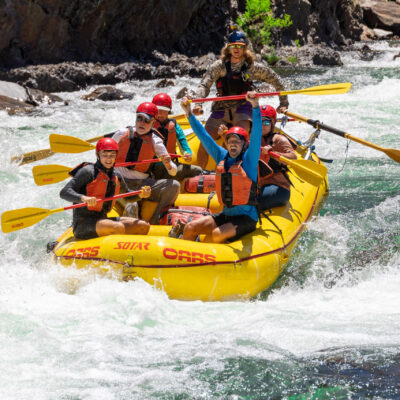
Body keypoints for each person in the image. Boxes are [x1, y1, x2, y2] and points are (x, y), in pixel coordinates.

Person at [191, 28, 289, 169]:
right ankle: (200, 172)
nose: (236, 49)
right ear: (228, 48)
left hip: (243, 107)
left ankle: (242, 170)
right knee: (205, 138)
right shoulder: (219, 66)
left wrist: (284, 103)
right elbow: (204, 85)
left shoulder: (253, 68)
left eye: (239, 46)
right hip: (221, 108)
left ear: (244, 48)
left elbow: (277, 80)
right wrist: (198, 103)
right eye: (233, 46)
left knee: (240, 138)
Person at [179, 92, 261, 243]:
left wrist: (255, 106)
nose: (233, 144)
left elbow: (256, 133)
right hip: (227, 214)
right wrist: (188, 113)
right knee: (190, 227)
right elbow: (204, 136)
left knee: (217, 234)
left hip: (246, 218)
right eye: (230, 141)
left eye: (237, 141)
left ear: (244, 145)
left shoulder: (249, 159)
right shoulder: (221, 156)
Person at [60, 138, 151, 240]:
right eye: (105, 155)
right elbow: (64, 192)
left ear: (116, 155)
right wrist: (83, 198)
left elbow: (127, 197)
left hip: (102, 219)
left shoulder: (116, 175)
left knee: (143, 226)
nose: (109, 159)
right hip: (83, 224)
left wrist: (140, 195)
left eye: (112, 155)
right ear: (98, 155)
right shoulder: (88, 172)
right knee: (118, 227)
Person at [112, 102, 181, 225]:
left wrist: (168, 164)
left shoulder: (156, 141)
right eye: (139, 118)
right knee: (131, 205)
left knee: (174, 185)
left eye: (147, 120)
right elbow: (102, 155)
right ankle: (129, 232)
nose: (142, 123)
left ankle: (155, 219)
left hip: (143, 184)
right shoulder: (121, 134)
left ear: (153, 123)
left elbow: (173, 171)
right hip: (120, 182)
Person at [151, 93, 202, 181]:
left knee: (198, 171)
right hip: (150, 169)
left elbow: (183, 143)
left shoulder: (174, 125)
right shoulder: (147, 123)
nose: (160, 114)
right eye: (157, 110)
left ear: (169, 111)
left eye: (163, 110)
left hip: (170, 167)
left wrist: (187, 154)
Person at [257, 105, 297, 211]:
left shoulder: (279, 139)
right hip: (260, 184)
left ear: (272, 123)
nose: (262, 125)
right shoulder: (254, 139)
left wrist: (273, 153)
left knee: (253, 201)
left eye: (266, 122)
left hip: (279, 187)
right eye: (259, 122)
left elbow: (293, 158)